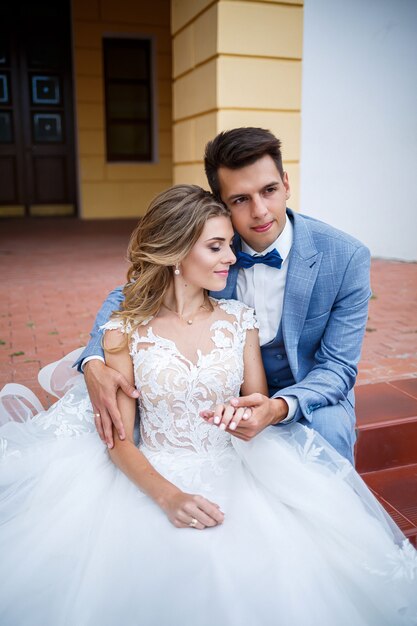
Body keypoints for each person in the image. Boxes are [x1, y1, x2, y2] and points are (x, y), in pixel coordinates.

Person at [0, 184, 416, 626]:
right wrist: (169, 496)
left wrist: (244, 415)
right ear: (177, 252)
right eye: (216, 247)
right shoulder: (124, 331)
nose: (231, 258)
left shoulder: (240, 320)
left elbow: (252, 400)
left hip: (238, 463)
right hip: (155, 469)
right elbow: (119, 440)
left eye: (229, 246)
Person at [79, 128, 371, 464]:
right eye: (241, 199)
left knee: (329, 428)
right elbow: (128, 295)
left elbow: (337, 367)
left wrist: (278, 406)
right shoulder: (213, 244)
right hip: (223, 386)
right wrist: (93, 361)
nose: (260, 211)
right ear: (223, 204)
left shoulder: (345, 257)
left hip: (306, 384)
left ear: (286, 184)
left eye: (269, 190)